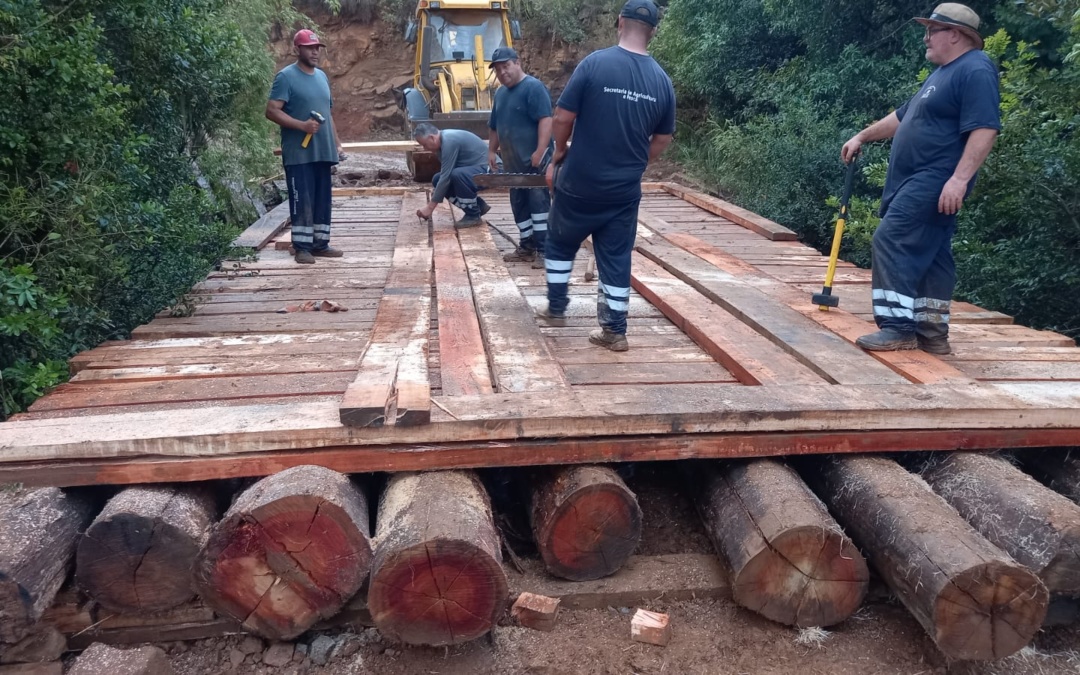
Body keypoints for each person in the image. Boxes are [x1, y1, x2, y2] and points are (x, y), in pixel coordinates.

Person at [841, 3, 1000, 355]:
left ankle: (897, 327)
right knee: (933, 252)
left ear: (955, 35)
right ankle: (932, 333)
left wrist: (959, 179)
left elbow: (985, 127)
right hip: (925, 179)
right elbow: (903, 116)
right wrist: (863, 136)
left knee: (891, 237)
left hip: (937, 177)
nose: (925, 38)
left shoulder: (975, 69)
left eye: (932, 31)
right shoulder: (942, 74)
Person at [537, 0, 676, 352]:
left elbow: (563, 118)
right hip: (623, 192)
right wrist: (636, 162)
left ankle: (556, 309)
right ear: (654, 33)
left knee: (559, 240)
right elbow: (663, 139)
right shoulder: (662, 81)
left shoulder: (594, 64)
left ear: (619, 23)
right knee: (615, 257)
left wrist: (560, 151)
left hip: (580, 183)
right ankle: (614, 330)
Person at [266, 29, 345, 265]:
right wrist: (301, 125)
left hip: (323, 151)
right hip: (299, 153)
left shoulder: (321, 77)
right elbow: (271, 110)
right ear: (296, 49)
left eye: (317, 47)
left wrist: (337, 144)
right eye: (310, 47)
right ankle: (301, 247)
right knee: (302, 199)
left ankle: (320, 244)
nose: (315, 51)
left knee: (322, 198)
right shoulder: (286, 77)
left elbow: (327, 114)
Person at [487, 46, 554, 268]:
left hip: (534, 163)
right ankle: (527, 247)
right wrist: (491, 151)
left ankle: (545, 251)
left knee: (539, 205)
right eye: (497, 69)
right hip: (513, 164)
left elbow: (546, 119)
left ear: (517, 63)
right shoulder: (500, 94)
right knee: (519, 206)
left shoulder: (533, 88)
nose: (502, 72)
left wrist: (540, 150)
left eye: (505, 66)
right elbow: (495, 126)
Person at [413, 123, 490, 227]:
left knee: (457, 175)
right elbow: (444, 176)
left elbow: (446, 177)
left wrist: (429, 208)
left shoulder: (449, 141)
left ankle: (473, 215)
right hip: (475, 171)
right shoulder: (442, 144)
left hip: (490, 170)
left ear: (432, 138)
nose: (424, 148)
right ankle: (478, 206)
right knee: (437, 179)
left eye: (425, 145)